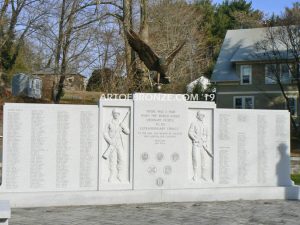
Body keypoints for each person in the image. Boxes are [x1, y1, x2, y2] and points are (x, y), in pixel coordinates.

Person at [103, 108, 129, 182]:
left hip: (120, 143)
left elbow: (128, 132)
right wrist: (110, 141)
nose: (116, 115)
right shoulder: (109, 122)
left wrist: (123, 127)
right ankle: (111, 174)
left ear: (119, 115)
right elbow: (105, 133)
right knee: (112, 160)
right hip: (112, 143)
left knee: (121, 159)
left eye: (117, 114)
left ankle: (119, 174)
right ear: (113, 114)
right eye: (115, 113)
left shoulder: (121, 122)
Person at [188, 111, 211, 181]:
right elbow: (190, 132)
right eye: (201, 115)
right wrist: (195, 139)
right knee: (195, 159)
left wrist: (205, 142)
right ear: (197, 116)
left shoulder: (205, 124)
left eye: (203, 115)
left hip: (203, 145)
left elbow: (207, 135)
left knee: (204, 160)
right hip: (196, 144)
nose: (202, 116)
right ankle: (195, 175)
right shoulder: (193, 123)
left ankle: (203, 175)